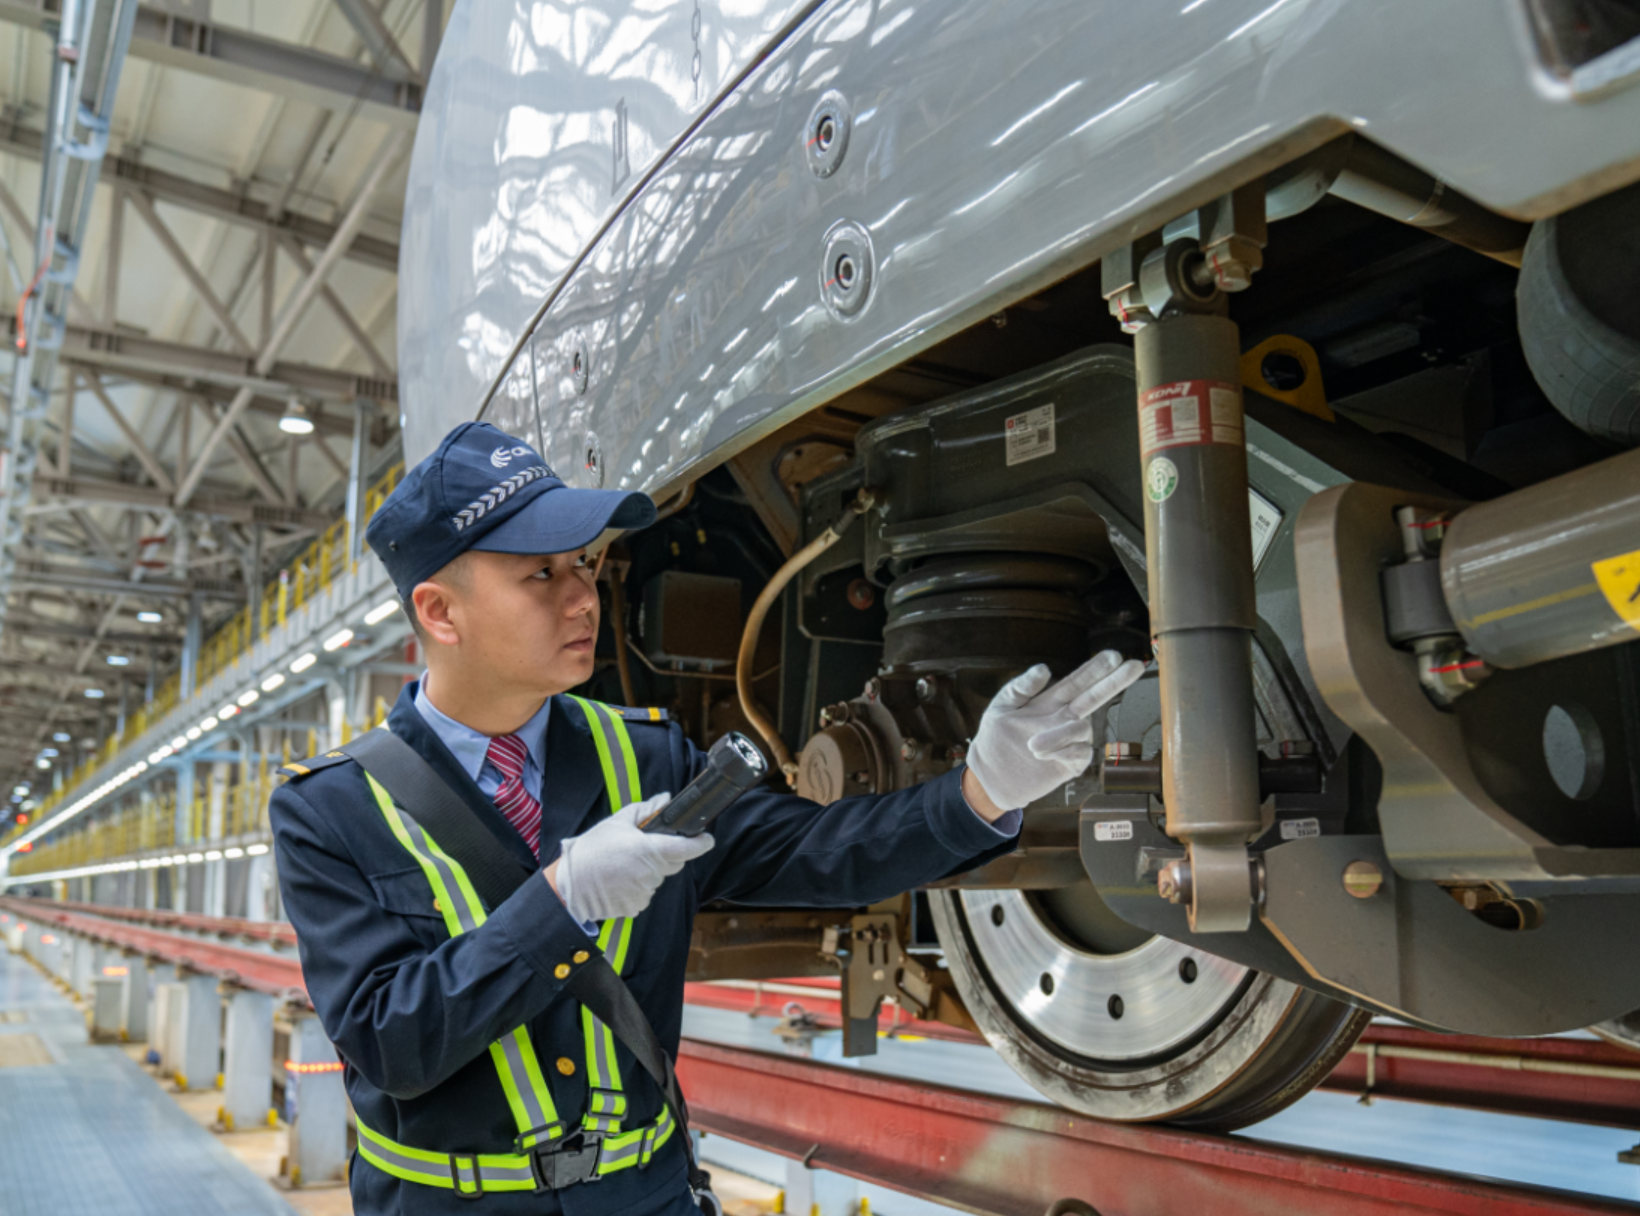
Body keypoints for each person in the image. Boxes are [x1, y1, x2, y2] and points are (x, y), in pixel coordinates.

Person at [269, 421, 1144, 1216]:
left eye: (587, 566)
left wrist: (977, 794)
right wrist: (562, 899)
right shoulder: (331, 808)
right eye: (541, 573)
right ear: (439, 611)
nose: (583, 598)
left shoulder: (645, 759)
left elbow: (817, 853)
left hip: (645, 1193)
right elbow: (394, 1044)